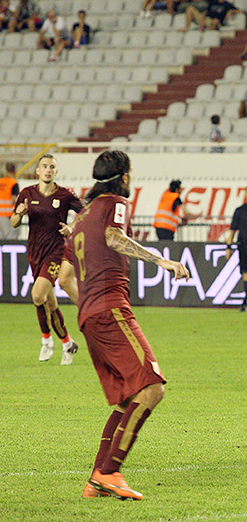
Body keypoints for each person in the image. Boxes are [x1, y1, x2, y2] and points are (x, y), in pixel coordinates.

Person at [58, 150, 190, 500]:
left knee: (126, 399)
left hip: (90, 316)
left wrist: (88, 306)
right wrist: (161, 259)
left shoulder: (83, 216)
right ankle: (110, 471)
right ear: (124, 176)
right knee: (151, 387)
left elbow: (65, 278)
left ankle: (96, 480)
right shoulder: (113, 202)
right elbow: (115, 237)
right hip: (110, 308)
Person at [11, 155, 81, 364]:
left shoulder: (65, 194)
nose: (48, 170)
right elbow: (14, 222)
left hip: (55, 253)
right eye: (45, 166)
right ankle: (68, 344)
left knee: (36, 295)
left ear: (56, 172)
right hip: (35, 253)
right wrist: (20, 214)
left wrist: (72, 227)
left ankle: (46, 340)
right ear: (38, 171)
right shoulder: (27, 193)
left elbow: (86, 213)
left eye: (52, 167)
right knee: (49, 303)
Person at [0, 162, 20, 240]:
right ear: (14, 170)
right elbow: (13, 199)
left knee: (1, 240)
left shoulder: (0, 182)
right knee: (10, 240)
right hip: (9, 215)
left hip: (0, 215)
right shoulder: (13, 183)